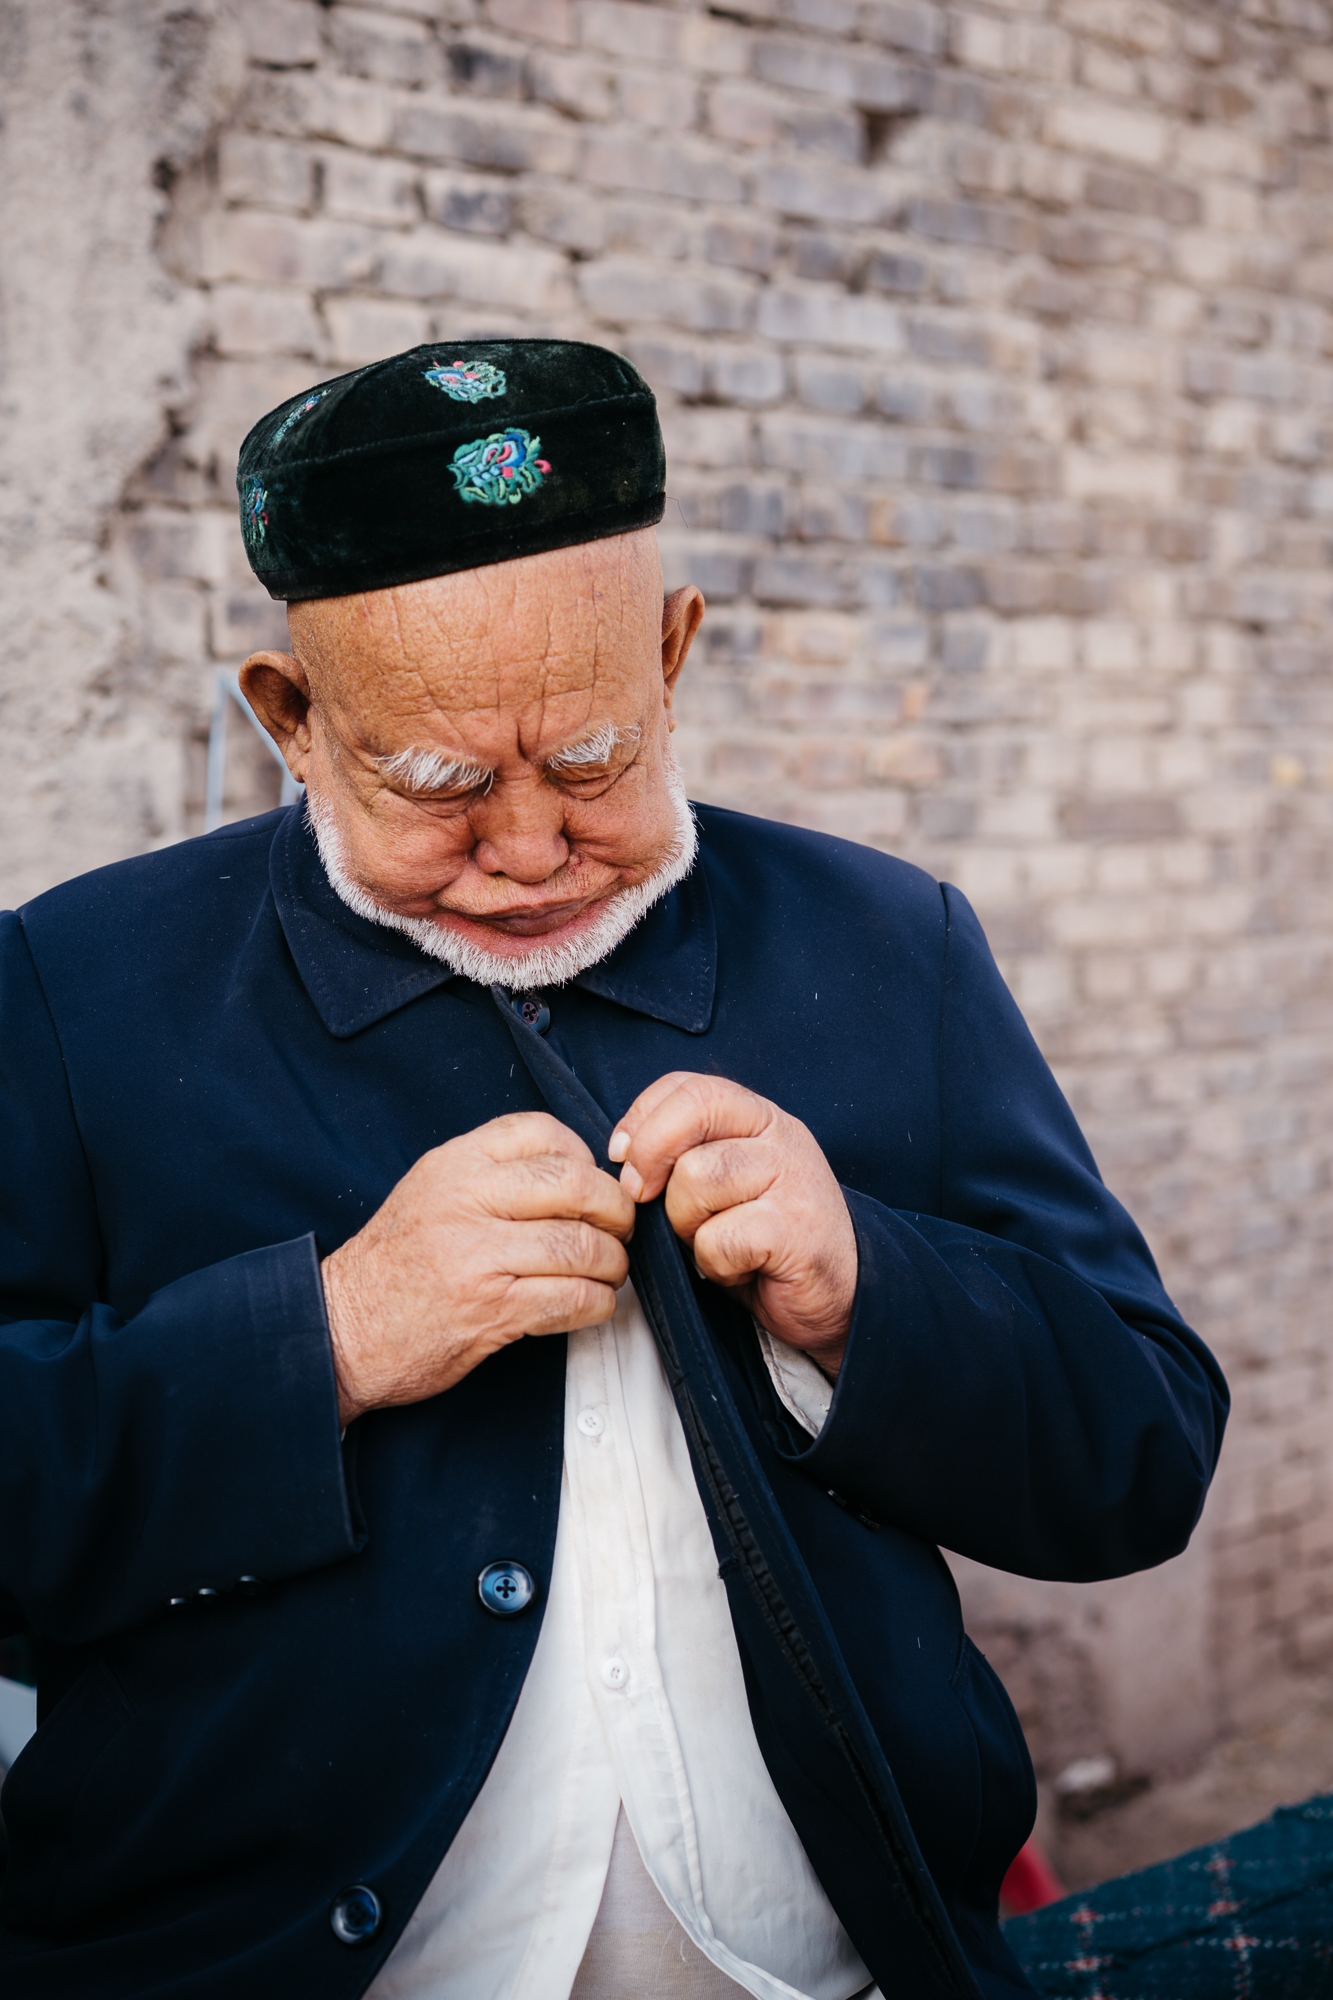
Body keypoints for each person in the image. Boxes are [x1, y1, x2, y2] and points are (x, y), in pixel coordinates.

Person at [0, 340, 1227, 2000]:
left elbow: (1138, 1460)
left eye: (589, 761)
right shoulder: (77, 991)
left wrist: (868, 1290)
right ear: (288, 718)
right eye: (435, 786)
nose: (523, 851)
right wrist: (333, 1337)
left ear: (673, 655)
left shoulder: (888, 945)